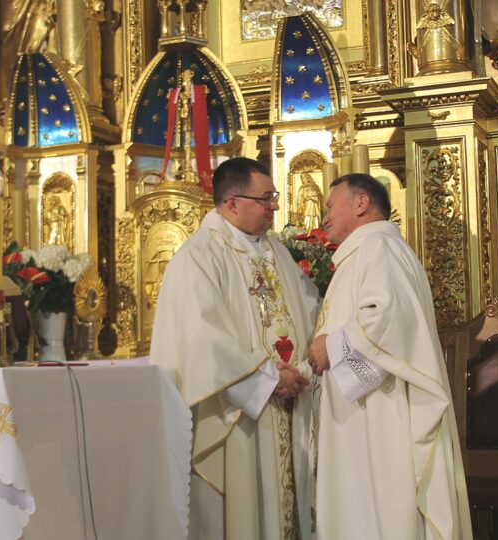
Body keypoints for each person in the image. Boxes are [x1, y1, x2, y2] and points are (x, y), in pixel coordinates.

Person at [150, 157, 320, 539]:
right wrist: (267, 379)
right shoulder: (198, 257)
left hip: (289, 402)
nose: (274, 206)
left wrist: (305, 366)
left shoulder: (275, 251)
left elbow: (310, 307)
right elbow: (201, 338)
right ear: (232, 203)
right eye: (265, 199)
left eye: (274, 197)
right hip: (240, 411)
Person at [306, 173, 471, 539]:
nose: (324, 218)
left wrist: (330, 346)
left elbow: (385, 319)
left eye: (330, 207)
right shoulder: (371, 250)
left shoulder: (378, 248)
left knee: (377, 508)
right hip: (366, 409)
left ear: (361, 203)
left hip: (380, 412)